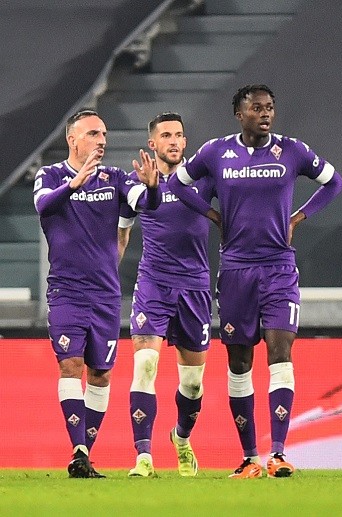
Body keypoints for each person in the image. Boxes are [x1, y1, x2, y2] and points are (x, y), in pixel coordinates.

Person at [168, 84, 342, 478]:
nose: (265, 114)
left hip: (279, 267)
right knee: (239, 363)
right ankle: (249, 458)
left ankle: (278, 453)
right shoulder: (216, 152)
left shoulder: (292, 150)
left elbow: (334, 182)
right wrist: (211, 214)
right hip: (235, 270)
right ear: (239, 114)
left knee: (280, 353)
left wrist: (298, 217)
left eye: (269, 108)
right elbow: (177, 183)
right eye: (256, 108)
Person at [33, 108, 159, 478]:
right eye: (93, 134)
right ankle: (78, 450)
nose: (101, 140)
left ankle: (85, 452)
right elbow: (43, 205)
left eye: (103, 134)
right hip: (67, 290)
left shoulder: (114, 178)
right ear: (72, 139)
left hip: (105, 293)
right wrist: (74, 184)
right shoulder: (51, 175)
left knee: (101, 374)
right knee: (70, 365)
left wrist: (152, 187)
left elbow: (146, 204)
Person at [118, 112, 216, 477]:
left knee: (192, 383)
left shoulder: (203, 178)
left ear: (185, 142)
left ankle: (181, 438)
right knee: (145, 365)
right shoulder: (135, 182)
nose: (173, 141)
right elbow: (128, 226)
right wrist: (109, 271)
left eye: (178, 135)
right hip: (153, 284)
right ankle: (143, 456)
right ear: (152, 144)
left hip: (195, 287)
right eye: (166, 136)